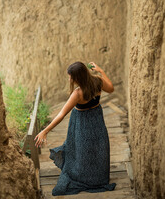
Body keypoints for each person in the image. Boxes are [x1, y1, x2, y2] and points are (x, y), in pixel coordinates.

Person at [34, 61, 117, 195]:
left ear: (77, 78)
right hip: (97, 120)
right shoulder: (98, 82)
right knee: (97, 148)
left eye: (70, 77)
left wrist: (45, 131)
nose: (69, 79)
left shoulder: (78, 93)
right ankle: (98, 177)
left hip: (82, 123)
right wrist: (101, 71)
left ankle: (85, 176)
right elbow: (111, 89)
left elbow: (61, 114)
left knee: (81, 150)